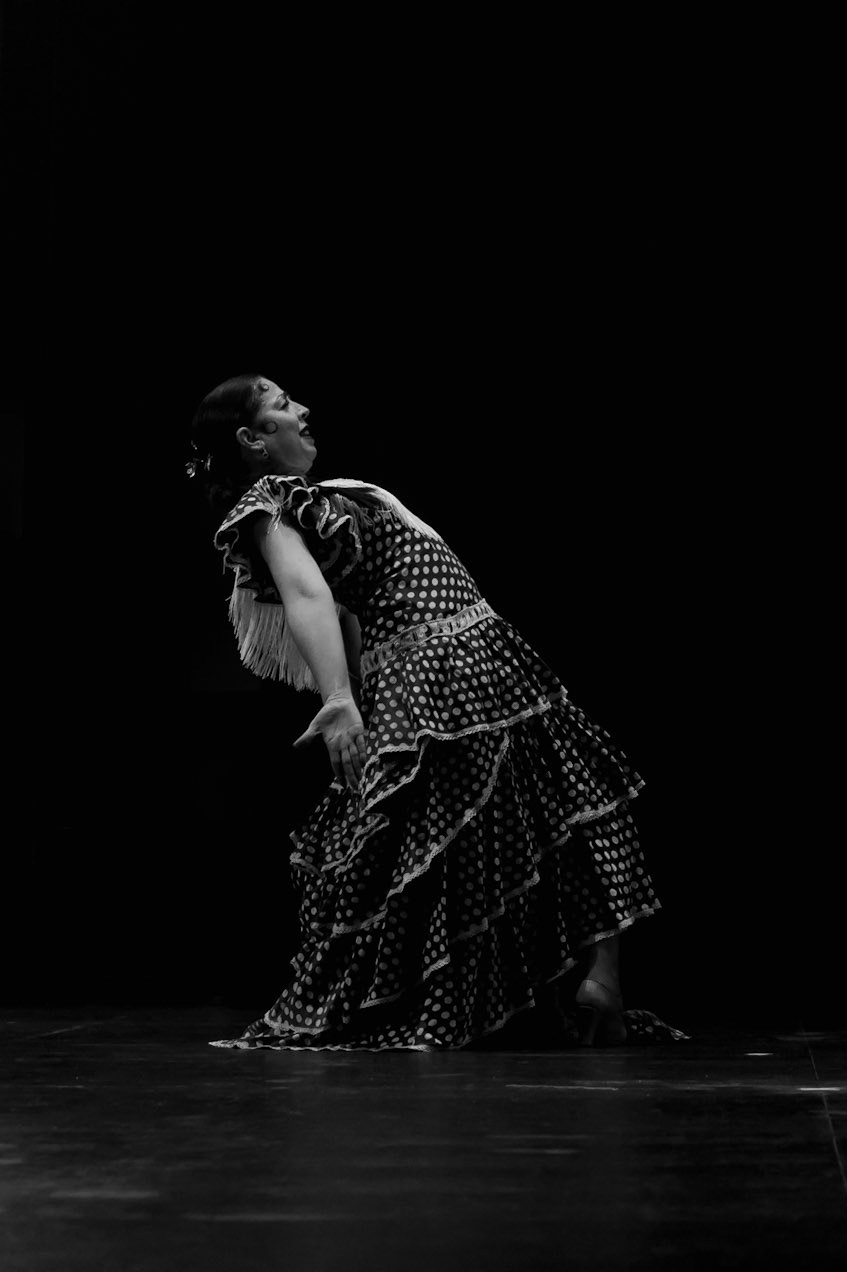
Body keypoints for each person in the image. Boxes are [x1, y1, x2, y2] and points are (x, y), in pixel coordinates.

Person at [188, 373, 684, 1052]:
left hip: (475, 651)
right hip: (439, 664)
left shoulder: (331, 497)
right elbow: (309, 596)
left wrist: (358, 694)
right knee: (531, 809)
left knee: (555, 800)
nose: (301, 409)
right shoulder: (268, 504)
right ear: (253, 440)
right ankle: (582, 979)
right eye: (281, 404)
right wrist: (340, 697)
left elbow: (343, 607)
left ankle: (592, 979)